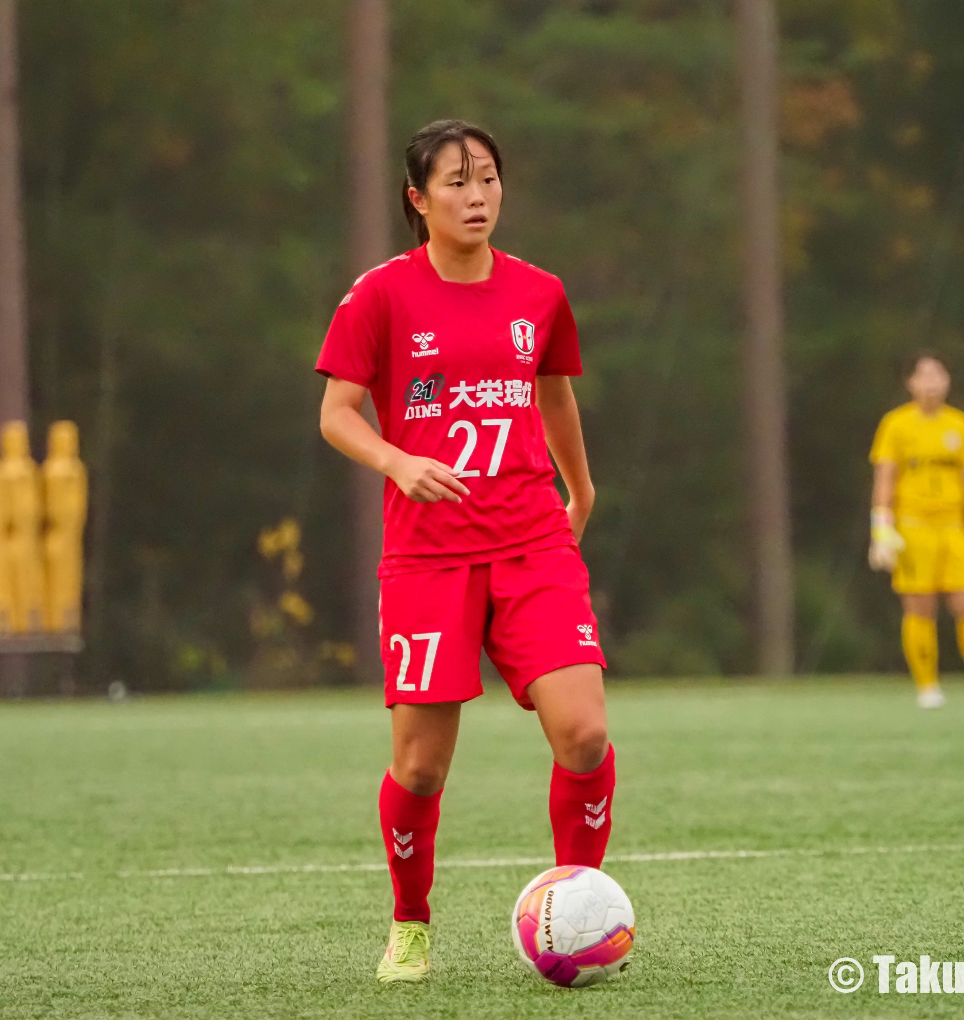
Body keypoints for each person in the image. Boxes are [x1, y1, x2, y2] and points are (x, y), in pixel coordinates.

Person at [316, 120, 613, 983]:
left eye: (488, 178)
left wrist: (580, 487)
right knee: (419, 766)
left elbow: (553, 392)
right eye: (456, 182)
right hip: (427, 558)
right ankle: (410, 924)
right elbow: (336, 414)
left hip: (532, 539)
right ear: (418, 199)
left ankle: (577, 913)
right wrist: (397, 461)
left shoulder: (540, 293)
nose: (477, 196)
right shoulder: (379, 296)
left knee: (585, 735)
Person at [868, 353, 964, 709]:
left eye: (938, 375)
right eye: (923, 376)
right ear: (910, 383)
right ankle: (927, 688)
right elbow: (885, 479)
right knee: (919, 607)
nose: (931, 383)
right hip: (913, 528)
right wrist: (881, 529)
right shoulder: (896, 424)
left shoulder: (960, 424)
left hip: (953, 527)